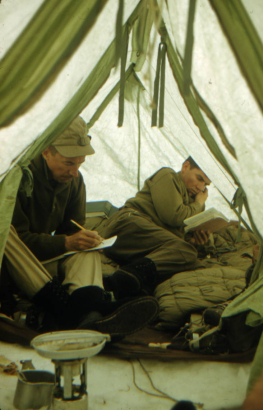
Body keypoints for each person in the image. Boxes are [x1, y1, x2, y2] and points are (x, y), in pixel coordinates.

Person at [3, 116, 158, 337]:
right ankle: (67, 309)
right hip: (13, 267)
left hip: (42, 269)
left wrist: (84, 240)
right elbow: (20, 244)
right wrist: (66, 242)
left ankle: (90, 314)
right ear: (47, 151)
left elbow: (72, 230)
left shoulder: (74, 181)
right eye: (68, 163)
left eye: (80, 164)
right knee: (7, 235)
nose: (75, 172)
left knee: (86, 250)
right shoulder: (17, 177)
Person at [95, 157, 211, 299]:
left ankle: (129, 285)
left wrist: (194, 241)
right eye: (199, 178)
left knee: (191, 260)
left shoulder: (194, 200)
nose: (201, 187)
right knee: (184, 251)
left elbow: (173, 236)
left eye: (206, 184)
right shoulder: (168, 176)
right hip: (129, 224)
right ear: (185, 166)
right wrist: (199, 204)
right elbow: (174, 217)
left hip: (147, 243)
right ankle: (129, 276)